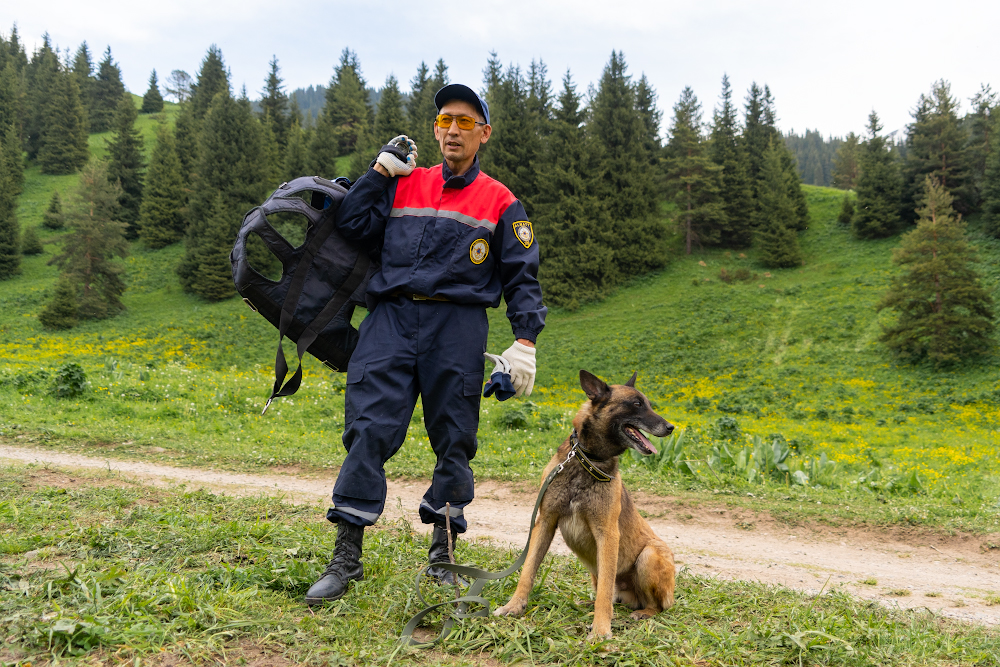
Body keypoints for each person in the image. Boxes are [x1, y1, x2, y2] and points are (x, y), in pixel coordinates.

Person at [305, 84, 547, 605]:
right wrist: (377, 172)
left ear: (484, 133)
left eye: (465, 121)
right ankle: (346, 558)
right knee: (368, 430)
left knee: (454, 440)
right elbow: (350, 224)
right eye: (444, 120)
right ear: (435, 130)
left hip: (456, 328)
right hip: (390, 319)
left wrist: (524, 341)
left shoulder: (502, 202)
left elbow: (522, 278)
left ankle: (442, 555)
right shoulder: (403, 181)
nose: (453, 130)